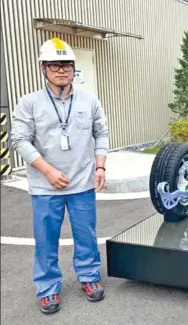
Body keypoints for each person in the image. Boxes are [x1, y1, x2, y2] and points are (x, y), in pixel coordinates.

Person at [10, 37, 110, 314]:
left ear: (73, 68)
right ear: (43, 68)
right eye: (54, 64)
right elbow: (19, 140)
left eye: (66, 64)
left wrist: (100, 165)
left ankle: (89, 277)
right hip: (45, 186)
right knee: (45, 241)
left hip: (81, 183)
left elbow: (101, 132)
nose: (61, 69)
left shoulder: (89, 100)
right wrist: (48, 170)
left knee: (86, 236)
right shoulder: (29, 102)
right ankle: (47, 288)